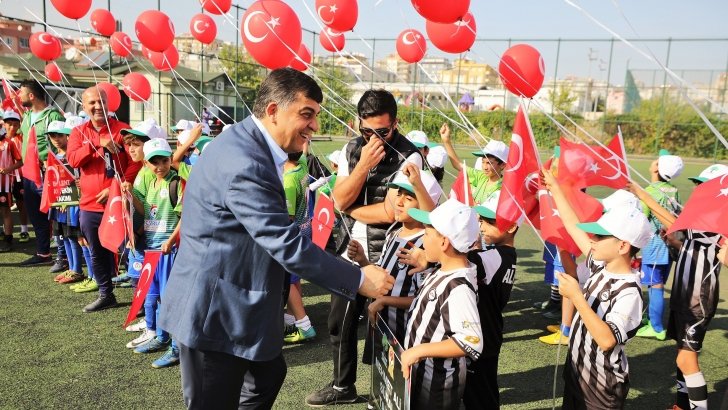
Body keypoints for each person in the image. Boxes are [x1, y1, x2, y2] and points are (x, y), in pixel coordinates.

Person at [157, 68, 393, 410]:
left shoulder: (242, 140)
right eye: (306, 114)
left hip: (241, 304)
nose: (314, 126)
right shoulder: (246, 162)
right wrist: (358, 279)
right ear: (272, 111)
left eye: (316, 115)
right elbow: (283, 243)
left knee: (267, 376)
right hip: (216, 313)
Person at [306, 88, 422, 407]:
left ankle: (398, 393)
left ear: (395, 124)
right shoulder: (351, 149)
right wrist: (362, 166)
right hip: (350, 252)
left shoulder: (409, 156)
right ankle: (344, 386)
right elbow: (339, 198)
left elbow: (392, 212)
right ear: (358, 123)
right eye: (367, 131)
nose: (374, 139)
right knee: (338, 321)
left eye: (382, 132)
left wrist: (351, 208)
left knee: (390, 327)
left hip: (392, 255)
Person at [543, 169, 651, 409]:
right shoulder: (600, 264)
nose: (592, 238)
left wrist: (577, 297)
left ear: (623, 245)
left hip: (601, 387)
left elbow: (607, 340)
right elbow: (574, 227)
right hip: (577, 373)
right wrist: (556, 189)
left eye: (601, 236)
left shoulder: (629, 291)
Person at [629, 164, 727, 410]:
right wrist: (676, 243)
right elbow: (696, 249)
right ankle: (683, 405)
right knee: (681, 355)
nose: (698, 190)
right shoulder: (703, 219)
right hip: (684, 296)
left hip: (698, 299)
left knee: (686, 358)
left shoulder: (716, 221)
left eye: (705, 186)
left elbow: (674, 221)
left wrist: (644, 197)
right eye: (698, 185)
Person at [401, 198, 483, 410]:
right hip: (422, 378)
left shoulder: (458, 286)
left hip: (436, 385)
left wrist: (417, 351)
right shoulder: (443, 269)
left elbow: (471, 341)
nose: (422, 240)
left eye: (426, 234)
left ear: (444, 242)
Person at [67, 86, 140, 313]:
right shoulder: (78, 133)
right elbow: (73, 160)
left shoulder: (123, 129)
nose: (98, 107)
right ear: (84, 106)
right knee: (96, 252)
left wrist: (114, 189)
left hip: (118, 203)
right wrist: (97, 143)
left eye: (102, 102)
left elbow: (136, 162)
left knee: (130, 251)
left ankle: (141, 298)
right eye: (92, 103)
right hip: (90, 205)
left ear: (110, 105)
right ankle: (106, 294)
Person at [125, 138, 183, 368]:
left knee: (170, 300)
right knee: (154, 297)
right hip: (151, 250)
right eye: (154, 162)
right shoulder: (152, 184)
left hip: (168, 252)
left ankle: (177, 349)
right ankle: (161, 336)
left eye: (164, 160)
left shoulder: (176, 183)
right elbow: (149, 214)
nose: (160, 166)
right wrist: (130, 195)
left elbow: (184, 216)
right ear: (147, 164)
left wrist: (170, 240)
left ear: (171, 160)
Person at [120, 120, 165, 336]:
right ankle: (150, 320)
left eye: (136, 144)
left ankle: (153, 325)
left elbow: (150, 210)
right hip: (138, 235)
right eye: (129, 144)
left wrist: (136, 234)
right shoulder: (141, 171)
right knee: (140, 280)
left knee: (148, 282)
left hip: (146, 237)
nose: (131, 149)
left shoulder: (149, 173)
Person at [16, 79, 66, 266]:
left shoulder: (54, 116)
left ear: (31, 95)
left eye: (21, 92)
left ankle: (63, 257)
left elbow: (64, 144)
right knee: (36, 215)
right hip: (29, 173)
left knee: (56, 214)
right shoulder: (27, 116)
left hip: (48, 173)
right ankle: (44, 253)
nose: (18, 96)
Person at [637, 152, 683, 341]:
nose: (653, 161)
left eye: (656, 161)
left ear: (657, 168)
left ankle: (656, 327)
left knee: (655, 286)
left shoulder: (650, 191)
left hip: (655, 246)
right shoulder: (674, 189)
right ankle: (651, 318)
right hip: (669, 246)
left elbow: (642, 218)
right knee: (657, 283)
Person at [45, 119, 86, 286]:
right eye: (52, 136)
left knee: (74, 237)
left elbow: (76, 181)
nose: (56, 139)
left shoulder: (72, 156)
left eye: (60, 135)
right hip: (58, 204)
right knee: (64, 237)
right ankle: (71, 266)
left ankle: (77, 270)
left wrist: (67, 200)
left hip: (72, 204)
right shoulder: (53, 156)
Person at [282, 145, 316, 343]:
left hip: (293, 234)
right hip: (306, 229)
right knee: (294, 279)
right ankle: (291, 320)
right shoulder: (302, 165)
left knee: (286, 280)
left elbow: (288, 216)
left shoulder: (288, 180)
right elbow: (303, 151)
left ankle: (304, 326)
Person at [440, 124, 508, 205]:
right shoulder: (480, 176)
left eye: (489, 163)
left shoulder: (503, 188)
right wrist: (446, 140)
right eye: (483, 162)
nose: (484, 167)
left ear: (503, 165)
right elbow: (457, 164)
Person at [2, 110, 29, 243]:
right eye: (9, 124)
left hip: (19, 175)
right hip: (3, 180)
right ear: (4, 124)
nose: (12, 127)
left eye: (16, 124)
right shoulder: (2, 139)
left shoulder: (22, 136)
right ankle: (5, 229)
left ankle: (24, 230)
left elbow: (27, 119)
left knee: (21, 203)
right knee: (4, 206)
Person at [0, 122, 23, 252]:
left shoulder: (9, 143)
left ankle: (8, 240)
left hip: (4, 184)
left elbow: (20, 162)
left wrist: (8, 169)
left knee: (5, 211)